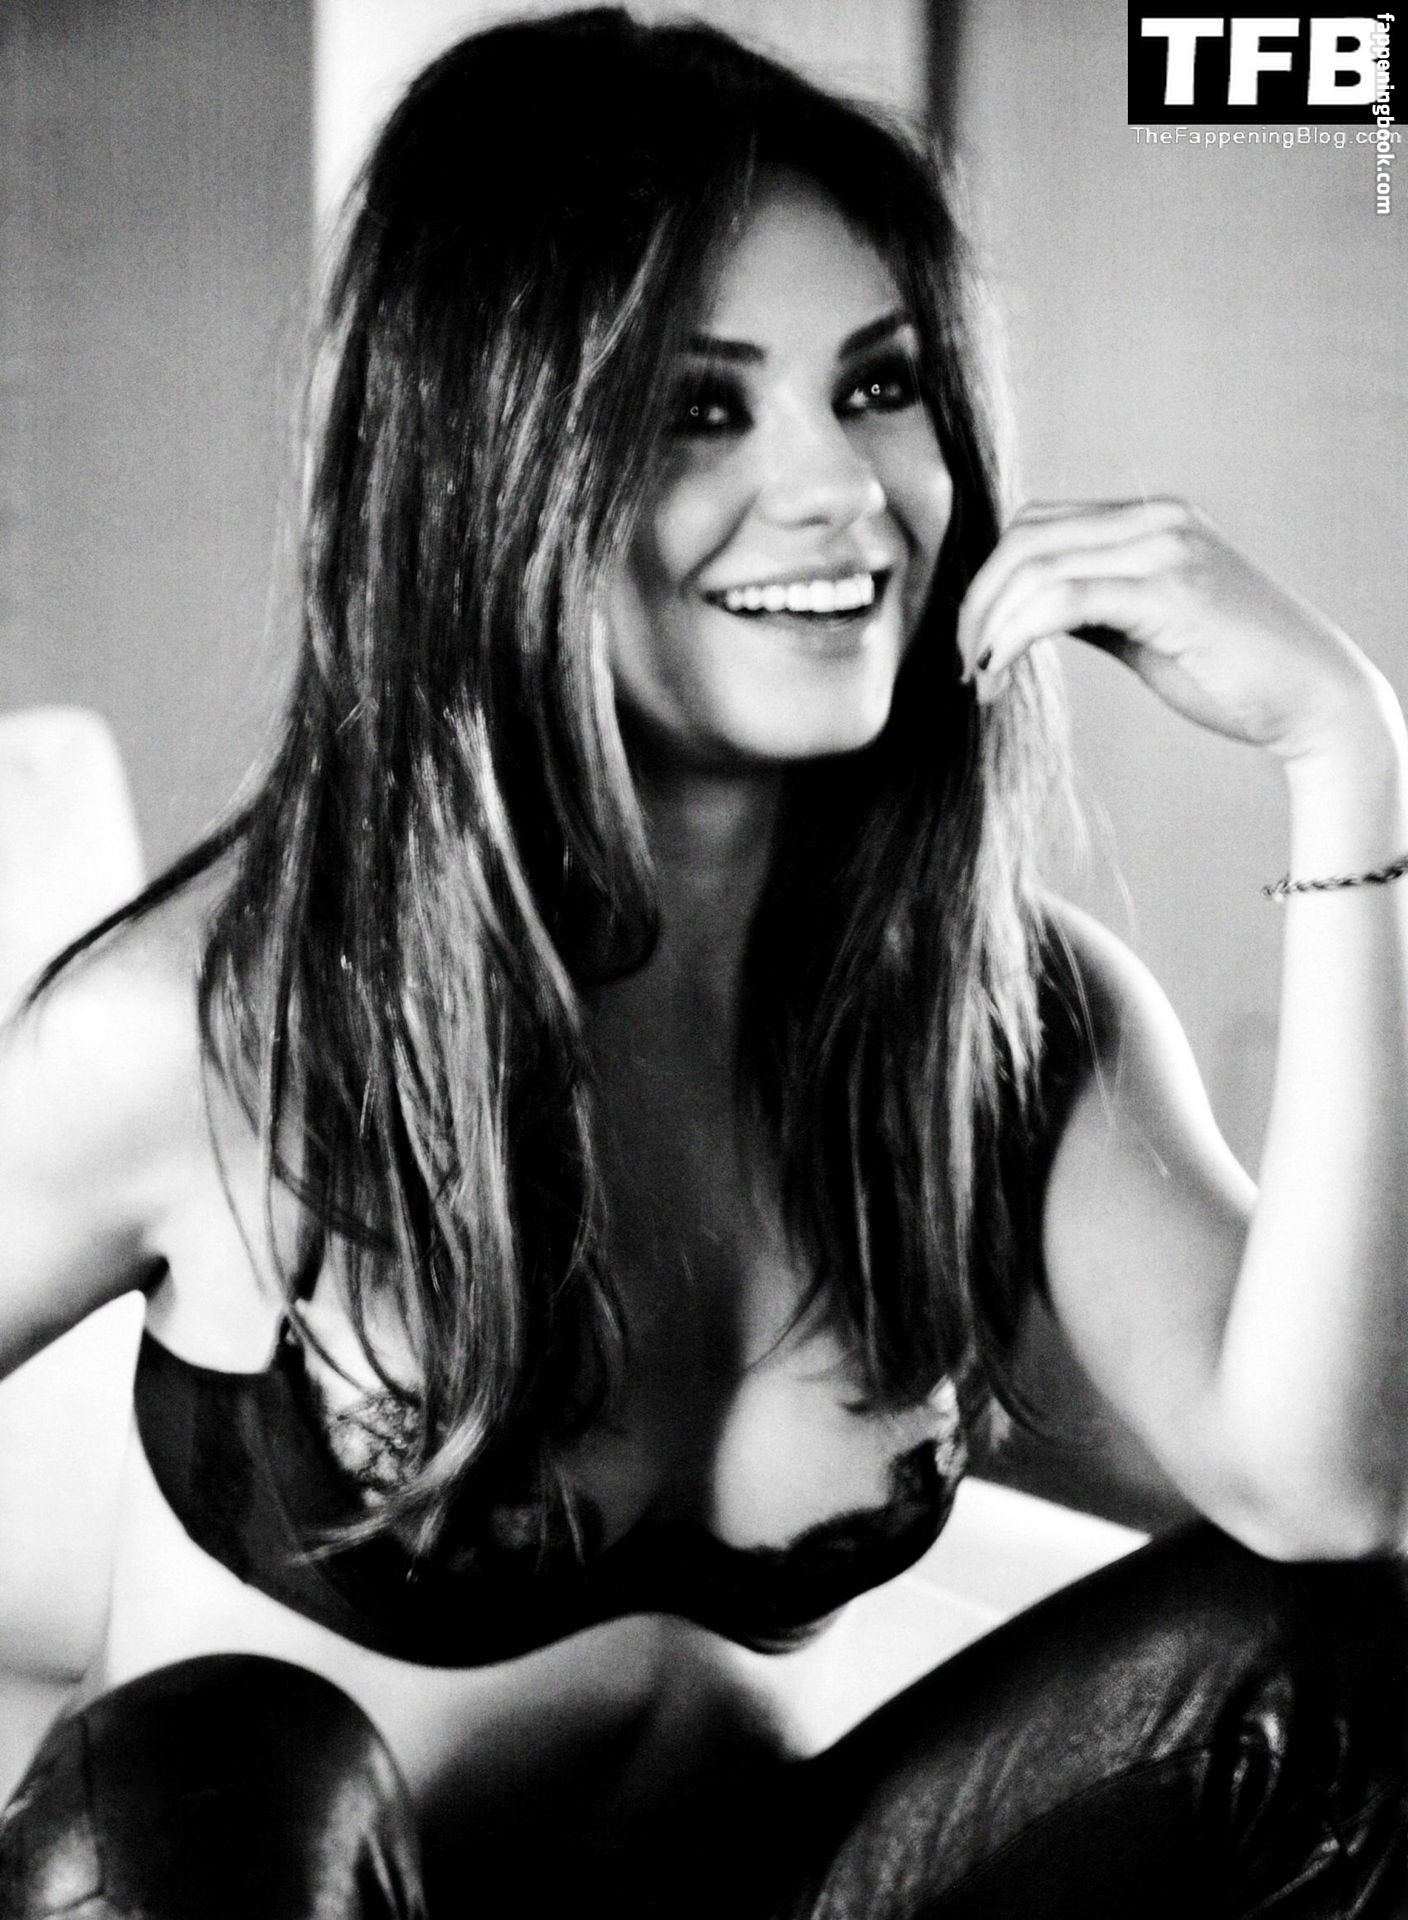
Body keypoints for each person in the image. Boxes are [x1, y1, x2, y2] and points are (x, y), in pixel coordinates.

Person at [1, 10, 1404, 1917]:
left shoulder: (998, 1030)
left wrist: (1347, 757)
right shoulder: (222, 1029)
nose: (843, 489)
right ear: (489, 468)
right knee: (202, 1770)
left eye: (881, 386)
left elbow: (1327, 1498)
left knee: (1344, 1666)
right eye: (700, 408)